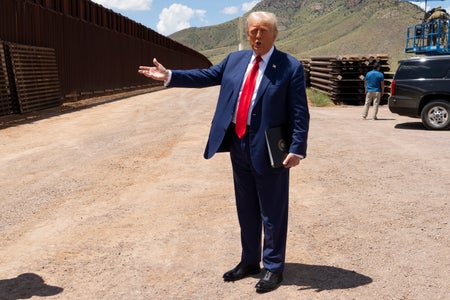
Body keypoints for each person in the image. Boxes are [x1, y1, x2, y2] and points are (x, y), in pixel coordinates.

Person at [138, 11, 309, 293]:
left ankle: (273, 267)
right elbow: (205, 75)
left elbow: (299, 112)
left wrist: (297, 148)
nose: (257, 35)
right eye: (253, 30)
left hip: (269, 143)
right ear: (247, 33)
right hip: (238, 141)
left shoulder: (289, 67)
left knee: (272, 209)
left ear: (275, 34)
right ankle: (250, 261)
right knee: (246, 207)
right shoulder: (234, 60)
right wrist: (169, 75)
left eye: (264, 31)